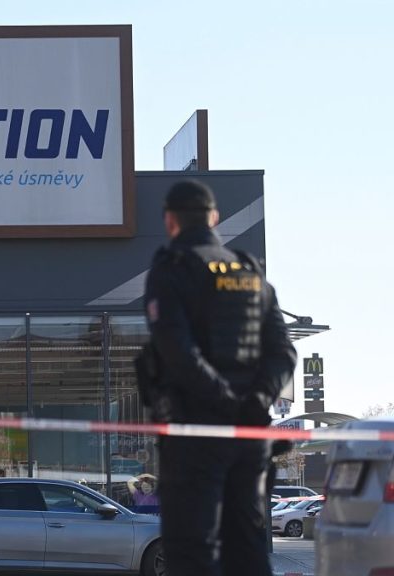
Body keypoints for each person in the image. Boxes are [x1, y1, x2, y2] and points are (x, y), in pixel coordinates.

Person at [139, 179, 296, 576]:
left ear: (170, 221)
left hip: (196, 433)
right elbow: (283, 352)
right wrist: (255, 403)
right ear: (214, 218)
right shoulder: (250, 272)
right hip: (251, 437)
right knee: (247, 546)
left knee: (192, 549)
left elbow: (178, 352)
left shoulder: (171, 270)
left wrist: (224, 404)